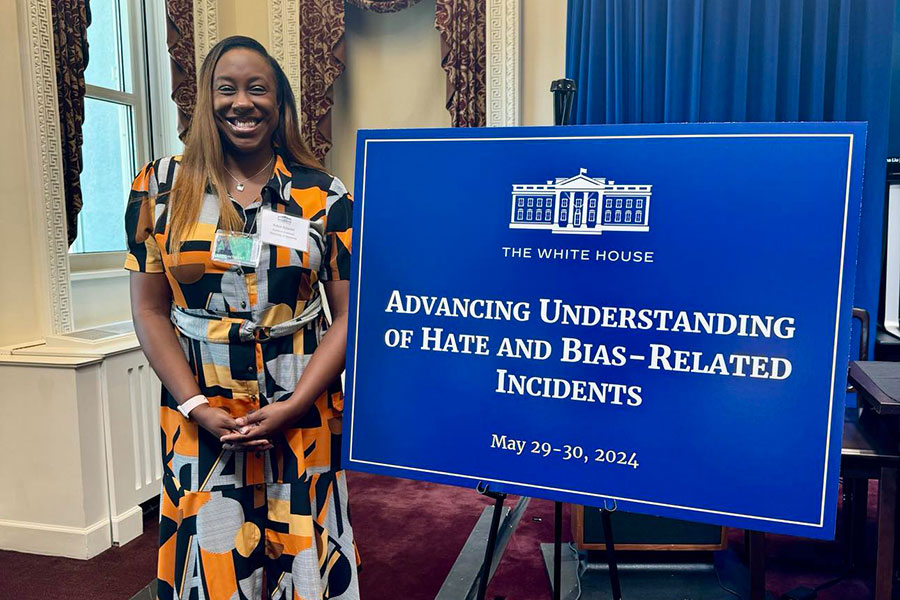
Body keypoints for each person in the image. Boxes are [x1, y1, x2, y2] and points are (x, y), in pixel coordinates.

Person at [125, 36, 359, 600]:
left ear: (280, 103)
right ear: (205, 98)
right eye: (226, 88)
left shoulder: (324, 196)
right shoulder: (159, 187)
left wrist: (296, 404)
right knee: (213, 551)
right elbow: (150, 310)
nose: (242, 102)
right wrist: (196, 406)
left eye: (259, 88)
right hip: (199, 409)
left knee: (304, 547)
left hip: (301, 408)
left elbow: (348, 316)